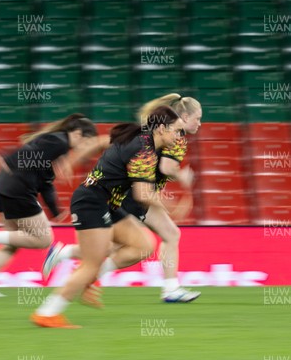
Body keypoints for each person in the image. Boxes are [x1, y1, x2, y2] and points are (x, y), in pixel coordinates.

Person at [31, 106, 185, 328]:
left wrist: (73, 160)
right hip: (91, 203)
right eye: (177, 131)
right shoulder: (145, 150)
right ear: (161, 129)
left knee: (143, 245)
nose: (180, 137)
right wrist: (171, 205)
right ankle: (47, 313)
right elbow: (141, 194)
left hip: (106, 203)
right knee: (91, 264)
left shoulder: (141, 140)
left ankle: (86, 276)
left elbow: (102, 146)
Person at [0, 114, 107, 297]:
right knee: (43, 239)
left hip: (3, 189)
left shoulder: (57, 146)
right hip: (19, 191)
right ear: (78, 134)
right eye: (87, 143)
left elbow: (45, 183)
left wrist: (56, 211)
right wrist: (10, 159)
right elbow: (29, 156)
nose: (86, 149)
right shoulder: (60, 142)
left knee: (11, 243)